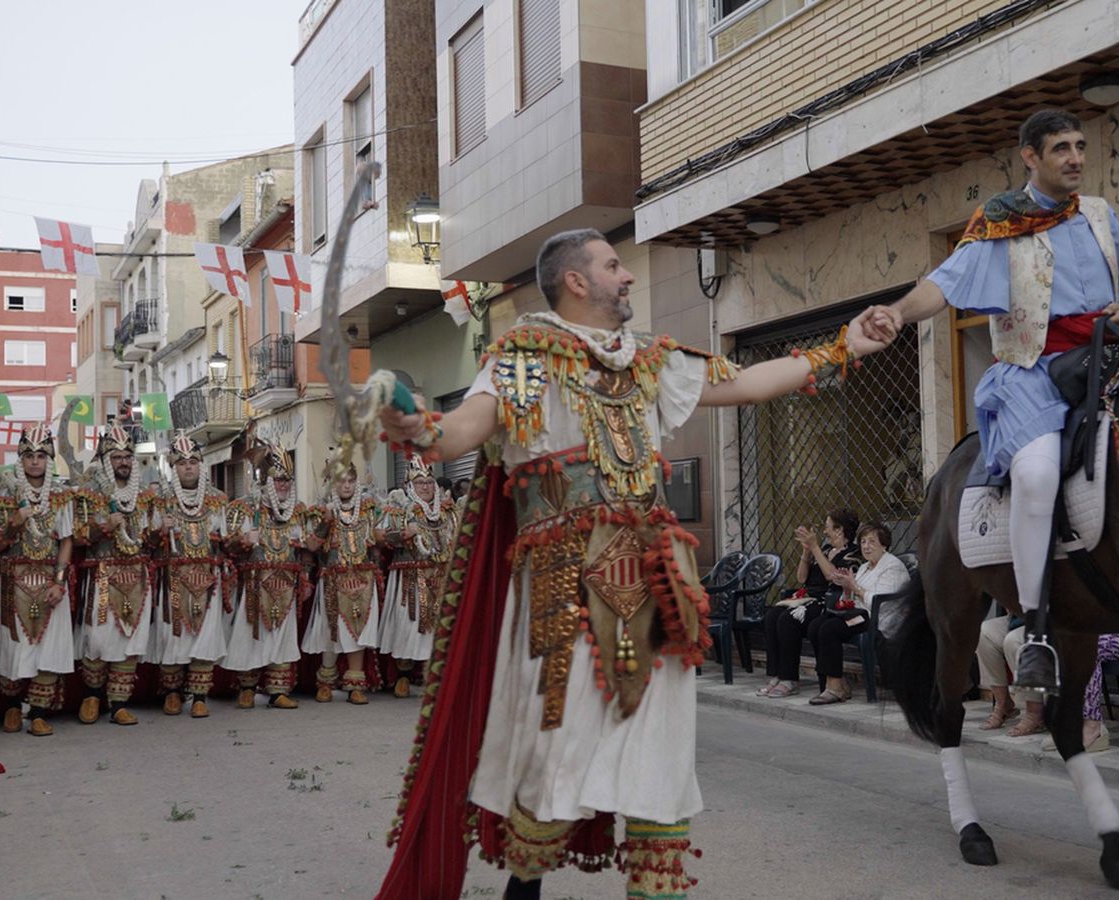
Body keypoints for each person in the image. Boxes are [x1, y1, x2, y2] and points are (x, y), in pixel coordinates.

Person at [377, 228, 882, 899]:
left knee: (662, 746)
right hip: (560, 583)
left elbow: (752, 381)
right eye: (614, 265)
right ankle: (522, 887)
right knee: (554, 741)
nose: (629, 276)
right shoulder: (525, 356)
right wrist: (421, 431)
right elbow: (466, 428)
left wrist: (847, 344)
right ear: (576, 281)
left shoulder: (649, 359)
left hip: (656, 581)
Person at [850, 108, 1119, 690]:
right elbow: (945, 284)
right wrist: (897, 313)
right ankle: (1036, 629)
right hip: (1033, 371)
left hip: (1111, 362)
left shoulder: (1101, 215)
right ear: (1030, 157)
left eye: (1081, 146)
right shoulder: (1000, 221)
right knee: (1035, 475)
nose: (1075, 158)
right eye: (1061, 148)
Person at [0, 423, 76, 737]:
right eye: (29, 455)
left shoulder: (62, 495)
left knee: (49, 649)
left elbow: (67, 540)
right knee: (15, 649)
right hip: (15, 581)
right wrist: (14, 523)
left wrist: (60, 581)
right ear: (20, 459)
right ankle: (12, 707)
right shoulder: (5, 494)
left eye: (41, 455)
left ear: (49, 459)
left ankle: (38, 712)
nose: (35, 461)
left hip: (50, 580)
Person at [70, 424, 152, 726]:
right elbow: (76, 536)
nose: (124, 462)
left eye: (127, 456)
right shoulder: (89, 492)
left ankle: (119, 703)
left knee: (132, 638)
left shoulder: (143, 492)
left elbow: (151, 539)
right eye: (116, 456)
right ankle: (92, 696)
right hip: (103, 574)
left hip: (138, 574)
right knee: (99, 638)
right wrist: (103, 526)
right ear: (106, 460)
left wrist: (159, 533)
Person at [148, 432, 230, 719]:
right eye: (181, 462)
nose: (188, 467)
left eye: (193, 461)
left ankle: (199, 695)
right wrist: (160, 531)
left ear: (201, 465)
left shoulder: (218, 499)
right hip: (173, 578)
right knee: (174, 636)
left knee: (205, 635)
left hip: (208, 578)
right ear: (173, 467)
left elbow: (227, 540)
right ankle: (172, 692)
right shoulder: (160, 500)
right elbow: (147, 543)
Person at [223, 449, 308, 710]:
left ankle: (277, 691)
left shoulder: (297, 511)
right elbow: (227, 545)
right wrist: (243, 540)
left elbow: (303, 548)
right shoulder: (245, 507)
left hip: (286, 585)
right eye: (278, 480)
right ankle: (246, 688)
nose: (283, 485)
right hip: (254, 585)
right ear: (267, 481)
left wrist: (304, 577)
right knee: (249, 636)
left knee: (282, 636)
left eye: (287, 480)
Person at [301, 457, 382, 705]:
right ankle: (325, 681)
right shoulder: (319, 510)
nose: (346, 486)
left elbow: (379, 541)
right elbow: (311, 545)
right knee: (330, 630)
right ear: (332, 483)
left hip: (363, 579)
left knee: (359, 631)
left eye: (350, 480)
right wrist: (326, 522)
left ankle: (355, 683)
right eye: (341, 481)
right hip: (333, 579)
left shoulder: (369, 509)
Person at [758, 508, 862, 698]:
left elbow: (832, 576)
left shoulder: (852, 554)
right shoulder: (825, 550)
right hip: (807, 597)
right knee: (772, 616)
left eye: (828, 527)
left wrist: (814, 548)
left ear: (839, 530)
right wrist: (807, 552)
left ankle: (789, 678)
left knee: (788, 620)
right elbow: (801, 577)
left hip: (828, 601)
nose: (824, 532)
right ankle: (777, 675)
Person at [378, 456, 458, 698]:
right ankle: (402, 674)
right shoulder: (399, 507)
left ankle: (434, 674)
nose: (426, 487)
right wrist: (403, 533)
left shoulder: (448, 510)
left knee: (440, 626)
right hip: (409, 578)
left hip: (441, 577)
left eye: (430, 482)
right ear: (410, 485)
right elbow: (379, 536)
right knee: (409, 626)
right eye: (420, 482)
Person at [807, 523, 910, 705]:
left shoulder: (892, 566)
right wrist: (847, 588)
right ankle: (832, 682)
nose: (866, 546)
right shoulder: (864, 567)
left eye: (872, 541)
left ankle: (836, 687)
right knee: (816, 625)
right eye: (863, 542)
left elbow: (882, 602)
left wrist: (856, 588)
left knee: (830, 629)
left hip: (877, 620)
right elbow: (852, 600)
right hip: (860, 615)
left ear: (884, 544)